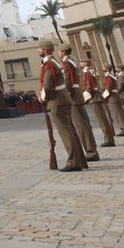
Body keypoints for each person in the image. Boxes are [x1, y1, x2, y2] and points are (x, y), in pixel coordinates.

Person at [38, 38, 85, 172]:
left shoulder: (48, 64)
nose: (38, 50)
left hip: (57, 100)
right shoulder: (54, 62)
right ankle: (79, 160)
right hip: (63, 98)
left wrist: (43, 97)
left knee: (65, 131)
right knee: (70, 129)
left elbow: (47, 84)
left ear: (46, 50)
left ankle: (73, 162)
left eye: (40, 48)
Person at [58, 45, 99, 161]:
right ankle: (91, 149)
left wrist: (65, 95)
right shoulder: (71, 62)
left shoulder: (67, 63)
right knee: (83, 124)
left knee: (81, 125)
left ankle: (91, 151)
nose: (58, 52)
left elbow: (67, 81)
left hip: (73, 97)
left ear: (63, 52)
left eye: (59, 51)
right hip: (76, 94)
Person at [81, 59, 115, 148]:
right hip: (96, 96)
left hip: (94, 98)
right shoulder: (90, 71)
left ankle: (108, 140)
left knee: (102, 119)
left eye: (82, 62)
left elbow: (89, 87)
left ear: (85, 64)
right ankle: (109, 139)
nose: (80, 63)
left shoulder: (87, 72)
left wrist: (84, 98)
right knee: (103, 119)